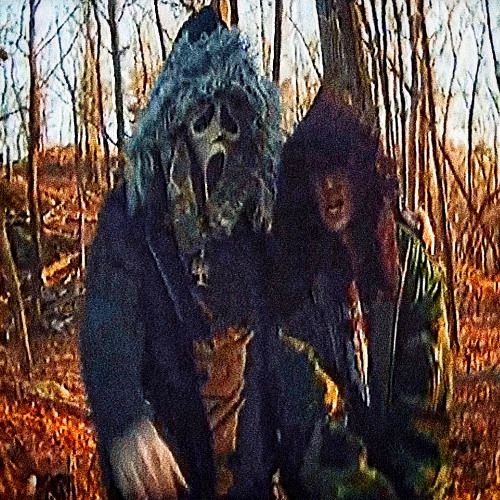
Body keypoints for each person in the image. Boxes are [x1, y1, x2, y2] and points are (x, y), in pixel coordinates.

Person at [81, 9, 367, 500]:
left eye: (232, 116)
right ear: (174, 122)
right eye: (203, 116)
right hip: (168, 473)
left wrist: (385, 226)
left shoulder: (259, 223)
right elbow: (109, 317)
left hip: (248, 476)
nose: (218, 134)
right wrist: (125, 418)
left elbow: (322, 239)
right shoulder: (133, 217)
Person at [271, 87, 453, 499]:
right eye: (317, 173)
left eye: (339, 168)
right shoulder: (296, 278)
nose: (328, 185)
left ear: (361, 174)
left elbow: (427, 414)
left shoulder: (408, 265)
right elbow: (313, 424)